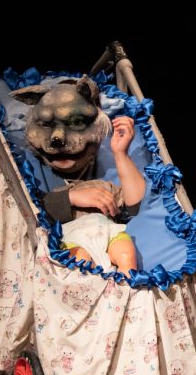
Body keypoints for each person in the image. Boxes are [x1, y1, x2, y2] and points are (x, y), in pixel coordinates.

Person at [12, 76, 146, 274]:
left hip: (108, 234)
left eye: (74, 122)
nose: (58, 137)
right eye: (48, 124)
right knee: (80, 260)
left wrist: (121, 153)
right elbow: (28, 216)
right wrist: (70, 198)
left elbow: (136, 207)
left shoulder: (104, 182)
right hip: (73, 240)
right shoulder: (37, 178)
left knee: (126, 254)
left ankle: (128, 286)